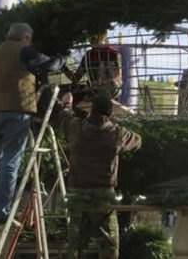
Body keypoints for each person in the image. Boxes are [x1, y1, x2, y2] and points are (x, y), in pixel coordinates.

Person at [0, 22, 68, 226]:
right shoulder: (23, 51)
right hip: (16, 110)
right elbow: (50, 65)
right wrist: (62, 59)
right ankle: (2, 212)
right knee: (10, 160)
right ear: (26, 37)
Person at [59, 92, 141, 259]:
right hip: (103, 195)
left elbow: (64, 117)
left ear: (92, 110)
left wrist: (67, 105)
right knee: (109, 244)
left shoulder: (76, 127)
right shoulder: (117, 134)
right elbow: (137, 140)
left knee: (75, 243)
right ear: (109, 113)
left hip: (78, 192)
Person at [74, 34, 123, 100]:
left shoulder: (113, 54)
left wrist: (103, 83)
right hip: (93, 91)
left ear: (103, 38)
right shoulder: (88, 56)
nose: (92, 41)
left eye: (96, 38)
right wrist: (64, 68)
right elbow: (76, 77)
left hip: (110, 90)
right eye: (91, 39)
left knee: (112, 86)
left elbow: (118, 75)